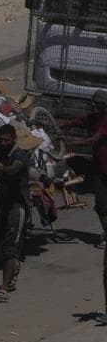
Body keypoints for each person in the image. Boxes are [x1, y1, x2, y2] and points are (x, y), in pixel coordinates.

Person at [0, 124, 30, 302]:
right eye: (1, 140)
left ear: (13, 139)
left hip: (18, 205)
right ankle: (14, 267)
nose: (3, 143)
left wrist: (3, 168)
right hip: (2, 203)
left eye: (7, 140)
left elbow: (14, 168)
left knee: (10, 246)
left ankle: (3, 288)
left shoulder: (19, 154)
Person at [61, 88, 107, 246]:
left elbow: (92, 140)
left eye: (98, 104)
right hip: (99, 168)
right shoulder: (93, 117)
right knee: (101, 205)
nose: (94, 106)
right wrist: (63, 125)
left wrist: (69, 143)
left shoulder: (105, 120)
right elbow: (79, 121)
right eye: (93, 103)